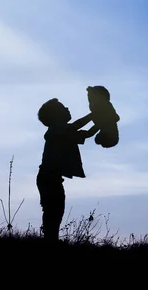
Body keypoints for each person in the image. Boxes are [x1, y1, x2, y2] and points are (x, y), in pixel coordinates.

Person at [36, 98, 99, 241]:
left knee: (55, 211)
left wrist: (99, 122)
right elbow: (76, 127)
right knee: (53, 211)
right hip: (48, 178)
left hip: (51, 178)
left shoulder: (62, 132)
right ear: (56, 116)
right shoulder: (56, 131)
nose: (67, 108)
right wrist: (93, 116)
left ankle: (51, 239)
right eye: (63, 108)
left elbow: (87, 133)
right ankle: (50, 240)